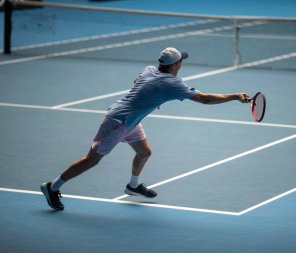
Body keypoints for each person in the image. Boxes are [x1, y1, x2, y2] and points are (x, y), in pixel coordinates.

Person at [40, 47, 249, 211]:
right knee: (91, 160)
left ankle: (132, 186)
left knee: (144, 152)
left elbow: (137, 82)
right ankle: (52, 187)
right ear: (176, 64)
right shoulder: (172, 84)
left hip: (132, 120)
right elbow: (203, 99)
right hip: (118, 122)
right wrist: (234, 96)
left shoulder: (149, 69)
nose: (183, 62)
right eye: (181, 60)